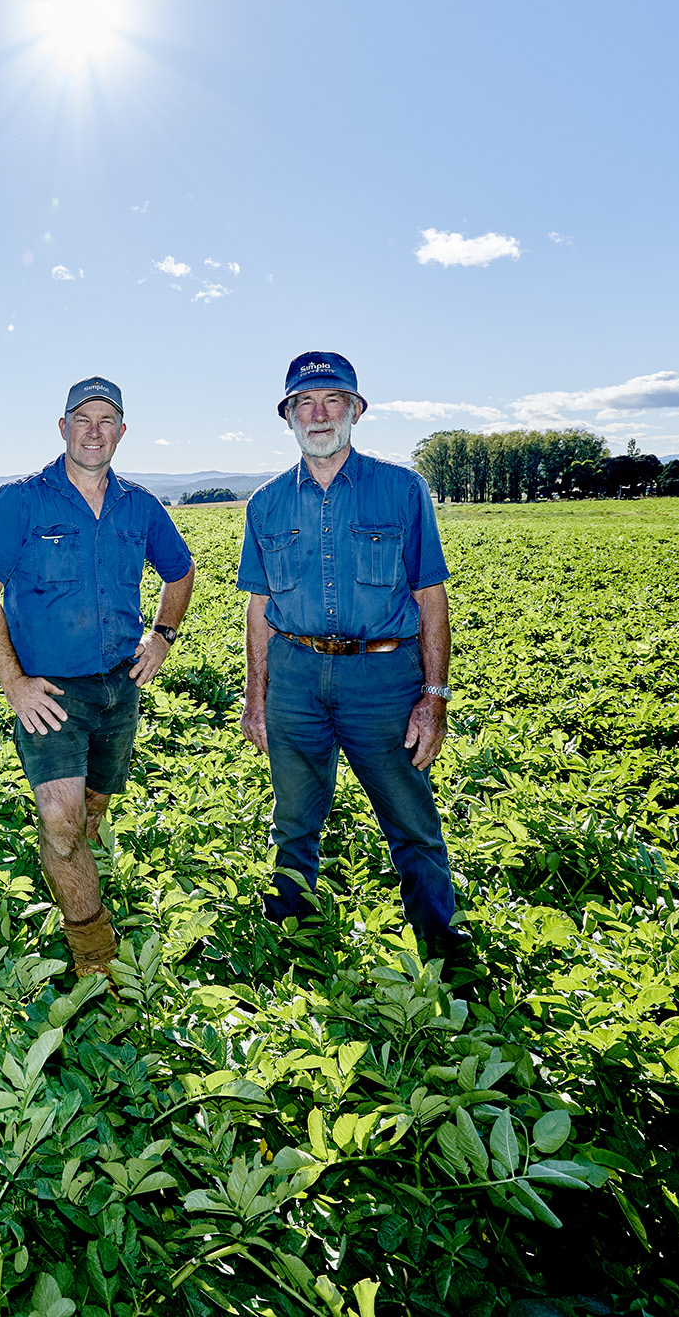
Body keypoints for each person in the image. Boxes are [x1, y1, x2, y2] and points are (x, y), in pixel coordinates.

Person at [0, 377, 197, 976]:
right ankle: (96, 960)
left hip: (120, 685)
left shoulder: (139, 504)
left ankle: (79, 852)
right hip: (50, 693)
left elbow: (180, 571)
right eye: (82, 418)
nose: (94, 430)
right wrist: (14, 684)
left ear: (121, 432)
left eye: (107, 420)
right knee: (63, 822)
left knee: (94, 803)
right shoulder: (23, 500)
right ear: (63, 427)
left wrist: (162, 636)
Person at [237, 351, 462, 959]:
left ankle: (444, 949)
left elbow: (430, 594)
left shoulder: (401, 489)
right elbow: (258, 608)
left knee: (410, 818)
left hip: (383, 676)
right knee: (294, 817)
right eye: (304, 403)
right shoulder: (266, 503)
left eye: (332, 400)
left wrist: (433, 696)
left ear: (355, 411)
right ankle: (294, 942)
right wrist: (255, 696)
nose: (318, 413)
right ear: (288, 416)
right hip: (294, 675)